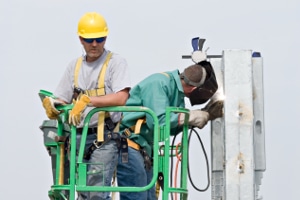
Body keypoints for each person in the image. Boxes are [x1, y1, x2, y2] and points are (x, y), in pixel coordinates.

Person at [41, 12, 131, 200]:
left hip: (104, 138)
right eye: (90, 40)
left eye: (99, 39)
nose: (95, 44)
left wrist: (88, 101)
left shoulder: (115, 63)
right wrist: (53, 105)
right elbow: (62, 99)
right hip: (78, 137)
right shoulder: (74, 66)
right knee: (82, 193)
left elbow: (122, 97)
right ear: (81, 39)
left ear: (105, 38)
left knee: (97, 193)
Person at [116, 60, 223, 200]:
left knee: (148, 197)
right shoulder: (159, 84)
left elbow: (170, 128)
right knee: (137, 197)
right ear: (193, 89)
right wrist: (189, 117)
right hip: (128, 145)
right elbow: (158, 122)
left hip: (143, 150)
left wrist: (200, 117)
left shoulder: (176, 93)